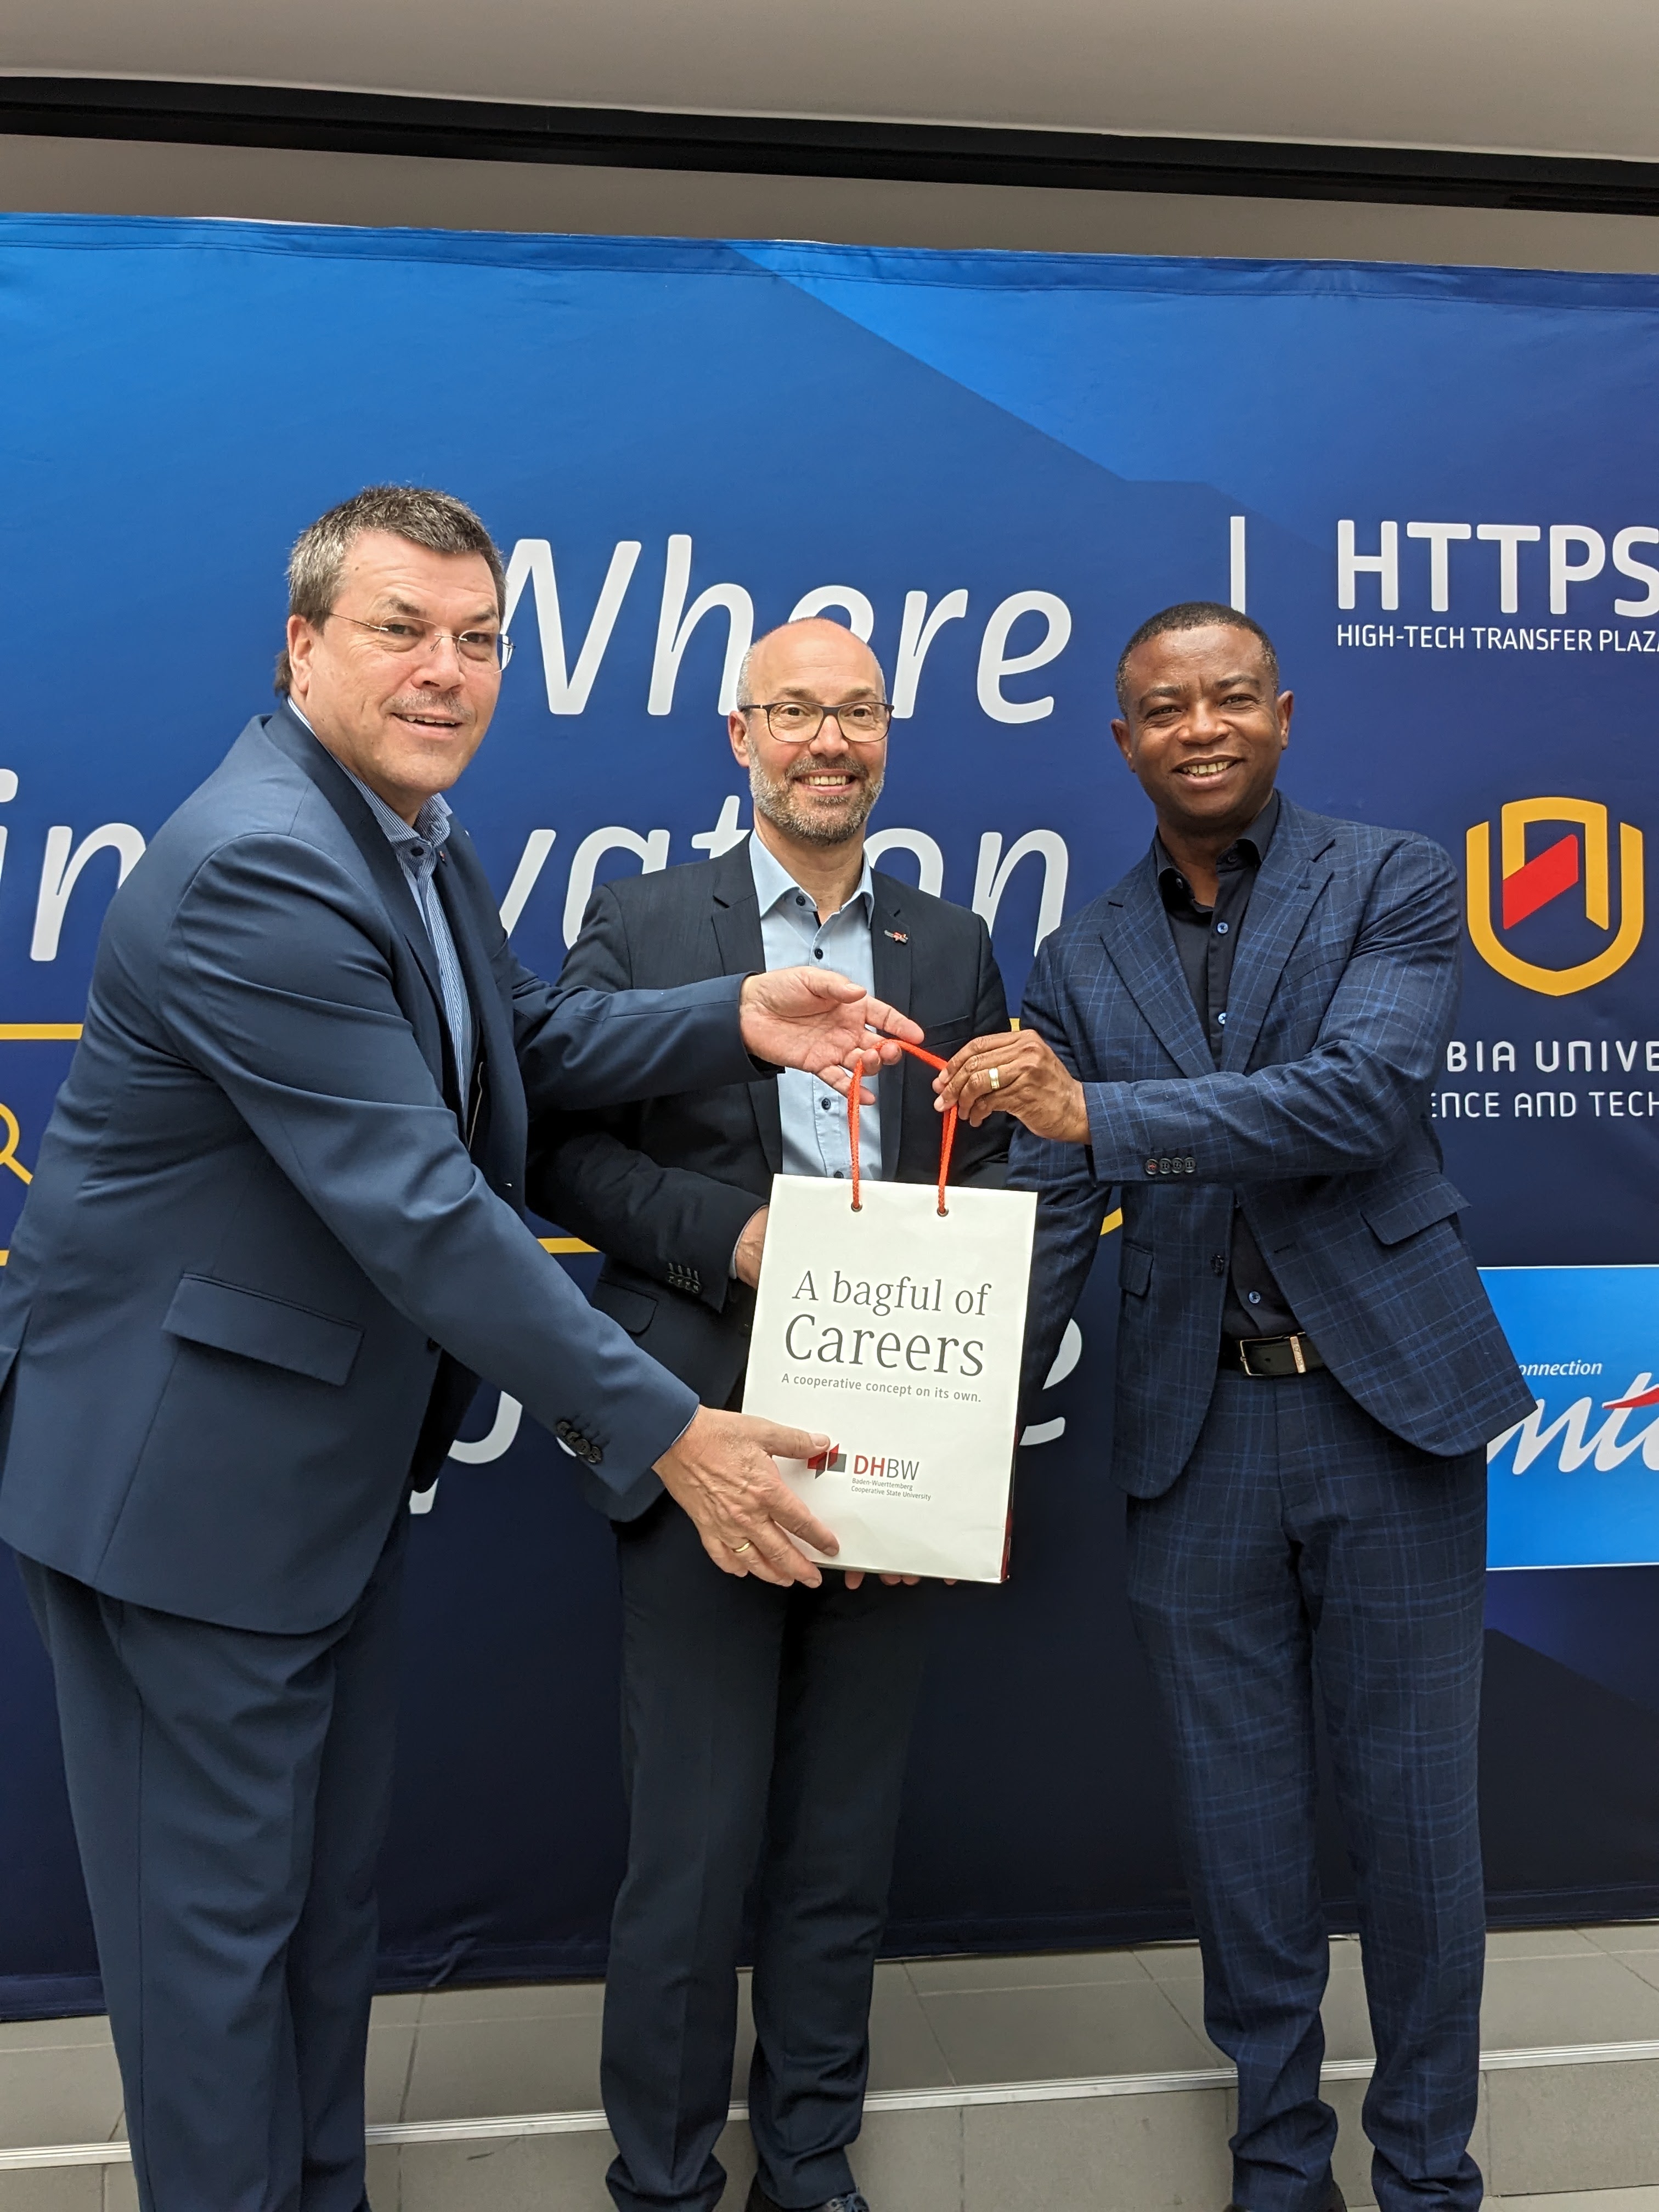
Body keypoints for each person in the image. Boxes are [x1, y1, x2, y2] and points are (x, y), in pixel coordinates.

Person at [0, 489, 926, 2212]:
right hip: (178, 1491)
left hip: (307, 1486)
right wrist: (675, 1433)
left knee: (314, 1924)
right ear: (301, 647)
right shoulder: (265, 859)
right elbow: (420, 1206)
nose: (447, 671)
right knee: (214, 1965)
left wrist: (731, 1009)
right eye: (399, 629)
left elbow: (521, 1036)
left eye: (480, 638)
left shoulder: (403, 831)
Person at [933, 602, 1533, 2212]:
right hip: (1194, 1438)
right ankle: (1279, 2169)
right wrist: (945, 1442)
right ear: (1121, 742)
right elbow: (1056, 1208)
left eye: (1229, 697)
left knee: (1415, 1829)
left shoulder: (1394, 878)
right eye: (1161, 707)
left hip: (1388, 1414)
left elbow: (1360, 1101)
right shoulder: (1079, 956)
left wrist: (1099, 1111)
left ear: (1283, 714)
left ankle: (1427, 2177)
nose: (1199, 725)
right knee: (1239, 1834)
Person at [529, 616, 1011, 2212]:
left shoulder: (949, 945)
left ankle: (811, 2161)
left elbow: (990, 1190)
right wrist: (726, 1236)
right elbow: (555, 1151)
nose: (828, 743)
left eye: (856, 714)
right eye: (794, 712)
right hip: (699, 1438)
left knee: (841, 1849)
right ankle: (664, 2183)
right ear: (738, 736)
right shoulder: (650, 919)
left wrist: (945, 1445)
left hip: (900, 1449)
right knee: (692, 1849)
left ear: (890, 737)